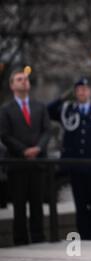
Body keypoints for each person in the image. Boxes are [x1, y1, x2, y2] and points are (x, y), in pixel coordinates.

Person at [48, 77, 91, 240]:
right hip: (75, 166)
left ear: (90, 91)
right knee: (80, 204)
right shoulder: (68, 110)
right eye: (79, 89)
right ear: (75, 92)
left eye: (85, 89)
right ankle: (83, 236)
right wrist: (63, 97)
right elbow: (48, 111)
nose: (82, 92)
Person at [0, 70, 51, 245]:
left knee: (37, 204)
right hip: (17, 164)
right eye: (19, 79)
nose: (24, 82)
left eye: (26, 79)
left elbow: (47, 130)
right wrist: (24, 151)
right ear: (12, 85)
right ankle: (20, 240)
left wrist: (37, 148)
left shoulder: (40, 106)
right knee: (19, 206)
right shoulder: (6, 110)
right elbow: (5, 135)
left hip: (38, 163)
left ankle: (39, 238)